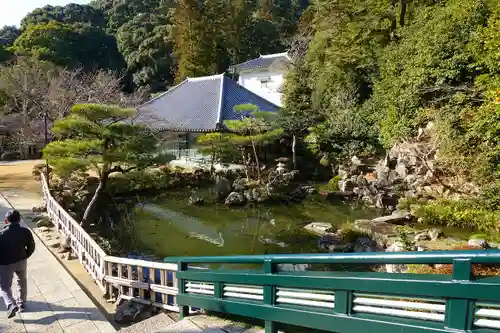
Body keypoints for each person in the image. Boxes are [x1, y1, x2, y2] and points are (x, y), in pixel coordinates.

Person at [0, 210, 35, 318]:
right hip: (21, 260)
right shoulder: (26, 231)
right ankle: (22, 304)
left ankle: (11, 304)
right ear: (20, 219)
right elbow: (32, 247)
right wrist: (25, 256)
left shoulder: (1, 234)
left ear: (6, 220)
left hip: (5, 263)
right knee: (22, 281)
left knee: (5, 286)